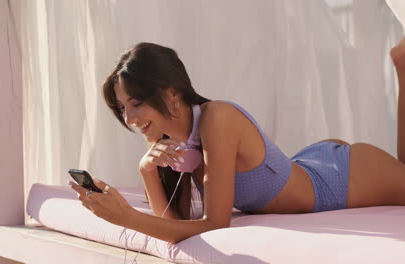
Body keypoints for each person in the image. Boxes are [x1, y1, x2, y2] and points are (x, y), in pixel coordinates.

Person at [70, 40, 405, 244]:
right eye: (122, 107)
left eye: (136, 103)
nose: (129, 119)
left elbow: (215, 225)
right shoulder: (176, 145)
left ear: (171, 94)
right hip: (309, 165)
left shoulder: (218, 118)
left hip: (340, 180)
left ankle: (402, 67)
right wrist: (146, 171)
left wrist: (125, 217)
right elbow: (175, 229)